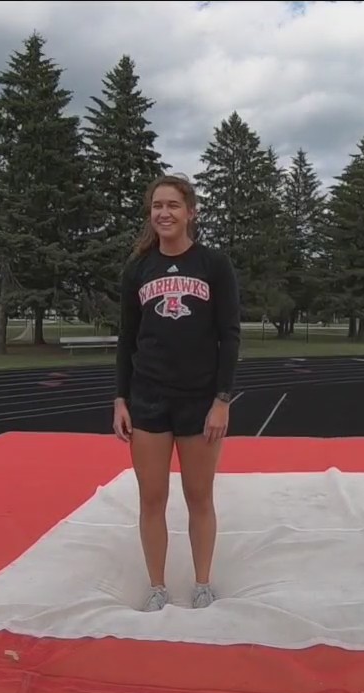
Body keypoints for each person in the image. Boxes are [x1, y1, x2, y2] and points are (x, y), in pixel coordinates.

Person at [112, 174, 242, 612]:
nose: (164, 213)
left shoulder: (213, 265)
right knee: (152, 498)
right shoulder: (138, 268)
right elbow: (127, 340)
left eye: (172, 205)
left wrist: (222, 400)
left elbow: (230, 335)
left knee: (199, 496)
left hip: (199, 399)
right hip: (148, 397)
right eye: (156, 206)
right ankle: (156, 586)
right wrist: (120, 399)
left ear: (191, 212)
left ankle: (203, 582)